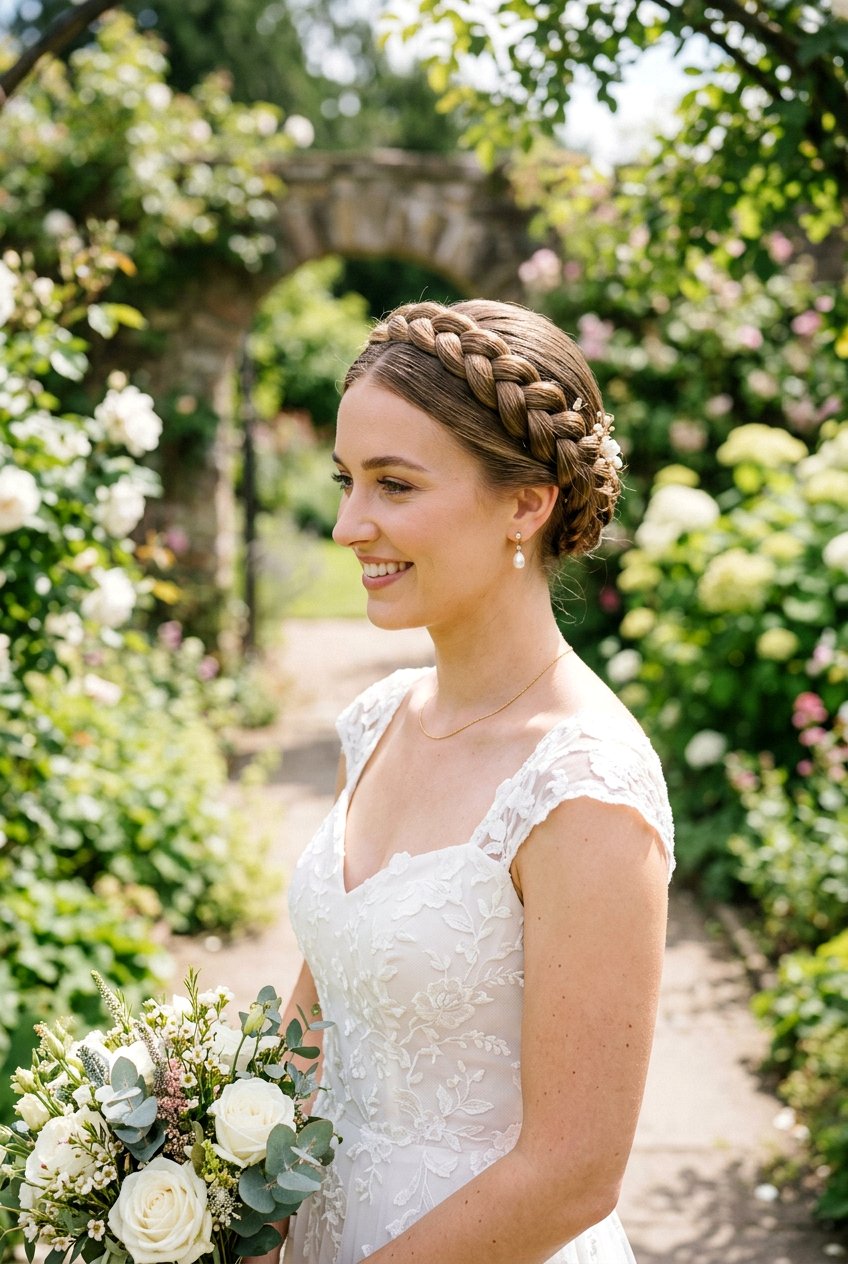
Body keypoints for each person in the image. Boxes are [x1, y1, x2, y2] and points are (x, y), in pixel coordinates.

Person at [280, 299, 674, 1264]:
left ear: (526, 503)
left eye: (394, 485)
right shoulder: (377, 724)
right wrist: (224, 1197)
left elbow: (575, 1172)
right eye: (345, 480)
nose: (347, 524)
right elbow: (311, 1020)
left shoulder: (587, 785)